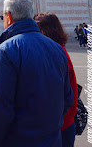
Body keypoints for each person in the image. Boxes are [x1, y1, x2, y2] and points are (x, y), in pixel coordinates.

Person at [0, 0, 73, 147]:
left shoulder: (6, 50)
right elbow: (67, 98)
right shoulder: (58, 48)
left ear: (8, 16)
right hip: (53, 140)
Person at [34, 12, 78, 147]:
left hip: (59, 125)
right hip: (64, 122)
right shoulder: (60, 51)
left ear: (44, 31)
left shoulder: (56, 54)